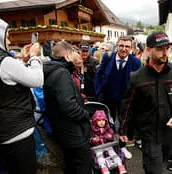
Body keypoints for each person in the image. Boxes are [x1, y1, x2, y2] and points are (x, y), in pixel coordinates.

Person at [119, 31, 172, 174]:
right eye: (160, 49)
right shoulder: (137, 77)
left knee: (162, 161)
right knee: (154, 168)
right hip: (148, 133)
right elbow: (128, 106)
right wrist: (124, 130)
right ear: (148, 50)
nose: (164, 52)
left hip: (169, 132)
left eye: (167, 48)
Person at [0, 15, 43, 174]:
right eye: (6, 37)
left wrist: (24, 61)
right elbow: (37, 80)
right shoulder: (4, 61)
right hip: (17, 132)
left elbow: (8, 81)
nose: (9, 42)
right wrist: (34, 57)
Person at [43, 41, 93, 174]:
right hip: (73, 133)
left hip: (63, 131)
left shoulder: (53, 71)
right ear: (67, 55)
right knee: (83, 164)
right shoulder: (61, 73)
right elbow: (68, 106)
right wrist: (86, 114)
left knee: (71, 165)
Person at [95, 36, 142, 159]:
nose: (123, 49)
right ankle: (107, 146)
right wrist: (98, 91)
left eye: (127, 46)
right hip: (108, 97)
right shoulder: (107, 57)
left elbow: (138, 83)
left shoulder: (136, 62)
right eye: (121, 45)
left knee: (124, 124)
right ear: (117, 46)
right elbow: (99, 74)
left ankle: (122, 146)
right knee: (107, 123)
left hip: (125, 100)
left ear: (131, 48)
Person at [91, 110, 127, 174]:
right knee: (99, 156)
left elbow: (112, 135)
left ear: (106, 121)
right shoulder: (93, 130)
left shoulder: (108, 129)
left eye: (103, 120)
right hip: (98, 147)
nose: (101, 122)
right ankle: (103, 168)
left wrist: (110, 136)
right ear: (95, 121)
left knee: (113, 153)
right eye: (99, 120)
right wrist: (94, 139)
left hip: (108, 145)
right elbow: (90, 139)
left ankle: (120, 165)